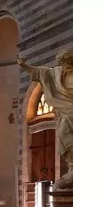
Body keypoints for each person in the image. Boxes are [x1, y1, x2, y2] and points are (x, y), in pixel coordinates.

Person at [18, 48, 73, 190]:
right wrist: (24, 65)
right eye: (61, 63)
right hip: (66, 114)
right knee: (64, 135)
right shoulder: (58, 73)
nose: (63, 66)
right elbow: (41, 73)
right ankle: (73, 167)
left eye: (65, 63)